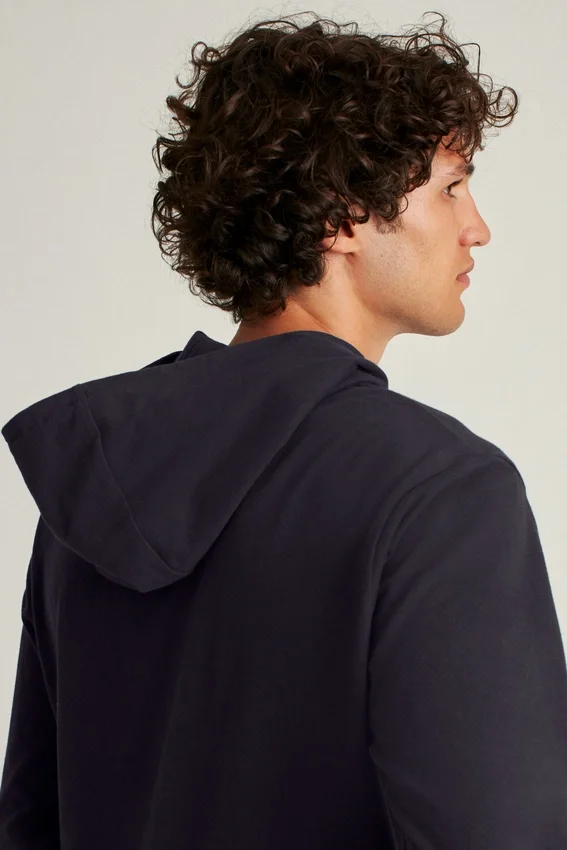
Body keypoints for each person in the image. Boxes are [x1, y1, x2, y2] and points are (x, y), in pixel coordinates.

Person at [1, 10, 566, 850]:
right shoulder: (441, 494)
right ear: (341, 215)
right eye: (450, 186)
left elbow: (31, 825)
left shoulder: (96, 490)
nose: (475, 225)